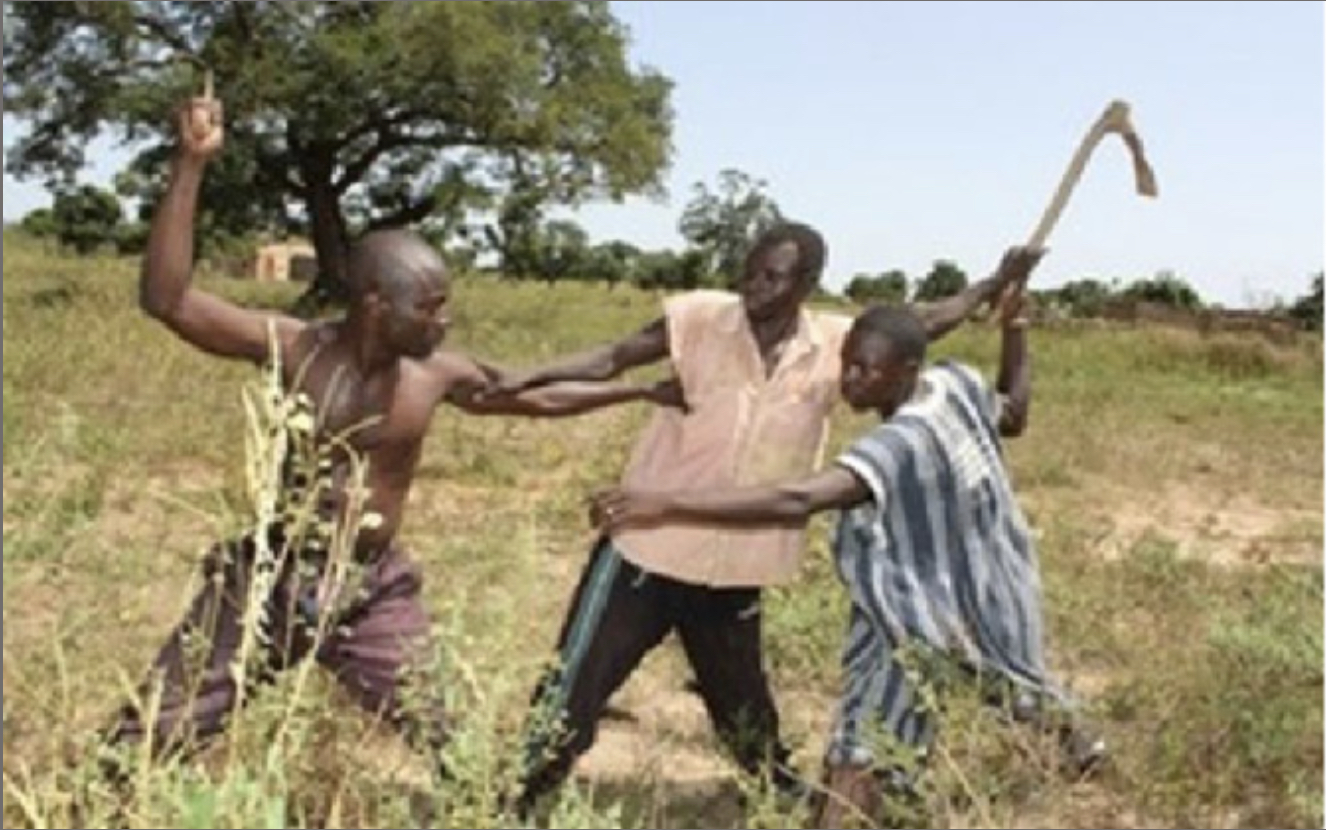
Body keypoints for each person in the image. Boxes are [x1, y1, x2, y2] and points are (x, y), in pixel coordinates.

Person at [98, 91, 681, 774]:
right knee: (153, 735)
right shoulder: (293, 348)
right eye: (431, 308)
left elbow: (536, 396)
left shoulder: (434, 374)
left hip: (371, 591)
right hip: (268, 577)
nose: (445, 322)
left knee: (453, 744)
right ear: (376, 304)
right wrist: (192, 164)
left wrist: (639, 389)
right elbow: (167, 300)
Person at [496, 220, 1033, 813]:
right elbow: (612, 358)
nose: (755, 286)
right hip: (646, 551)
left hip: (737, 566)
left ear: (806, 283)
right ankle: (517, 801)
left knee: (744, 710)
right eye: (750, 271)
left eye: (773, 276)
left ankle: (775, 796)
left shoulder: (836, 345)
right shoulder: (700, 318)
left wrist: (995, 283)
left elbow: (925, 320)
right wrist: (523, 376)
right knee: (574, 690)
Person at [590, 270, 1107, 828]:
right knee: (929, 708)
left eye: (866, 370)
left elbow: (797, 500)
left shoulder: (900, 442)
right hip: (953, 593)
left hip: (944, 600)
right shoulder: (954, 384)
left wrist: (667, 504)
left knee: (960, 702)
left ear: (907, 370)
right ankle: (1070, 746)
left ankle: (1061, 748)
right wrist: (1016, 329)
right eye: (848, 363)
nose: (851, 380)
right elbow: (1013, 410)